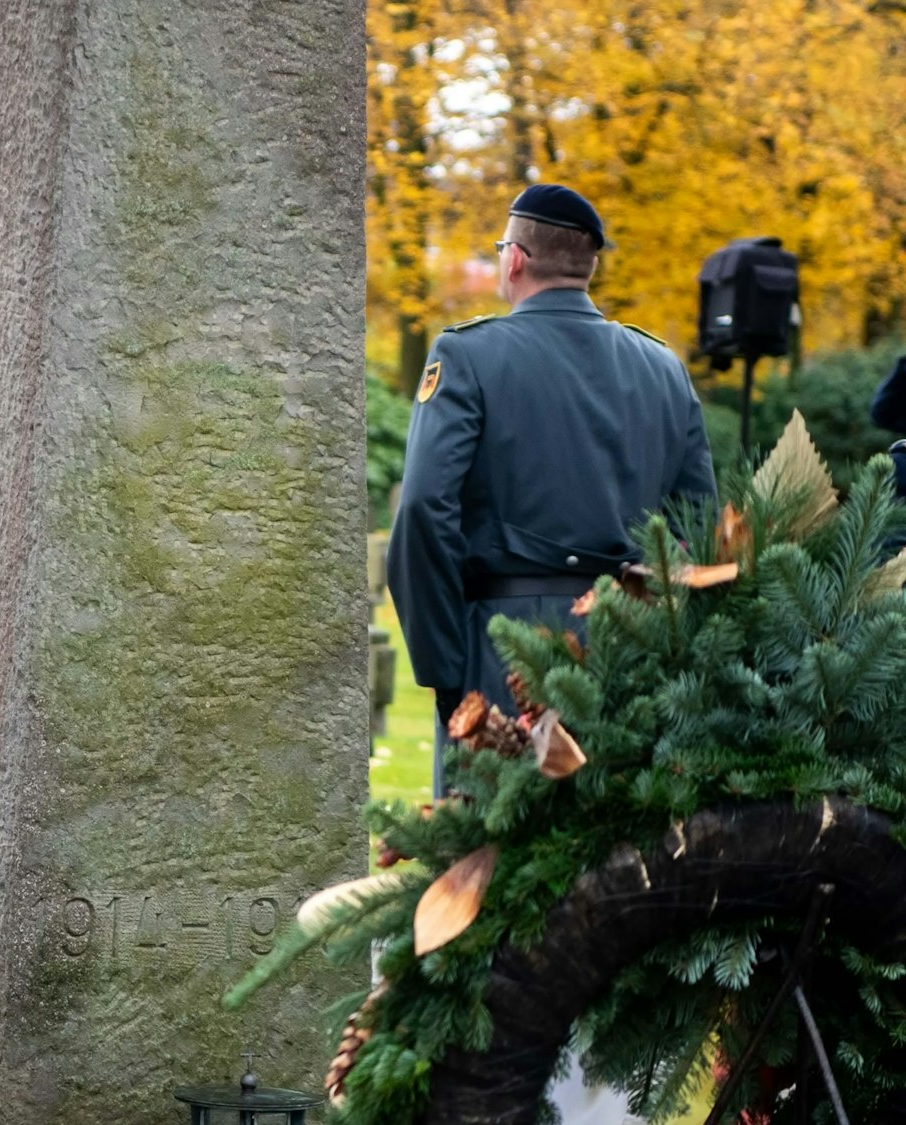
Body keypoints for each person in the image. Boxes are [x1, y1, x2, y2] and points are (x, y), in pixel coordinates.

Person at [386, 185, 715, 1124]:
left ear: (516, 260)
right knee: (619, 886)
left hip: (506, 657)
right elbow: (699, 537)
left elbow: (421, 512)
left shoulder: (470, 356)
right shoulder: (663, 370)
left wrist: (448, 664)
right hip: (628, 651)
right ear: (591, 264)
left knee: (485, 892)